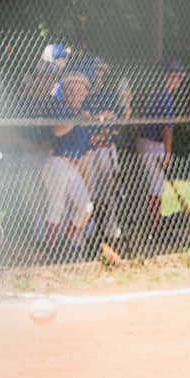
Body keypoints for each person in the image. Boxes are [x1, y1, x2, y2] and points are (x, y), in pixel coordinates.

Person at [40, 69, 95, 255]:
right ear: (66, 92)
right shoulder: (61, 108)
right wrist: (77, 120)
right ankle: (51, 247)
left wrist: (85, 176)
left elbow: (85, 150)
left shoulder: (83, 114)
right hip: (57, 162)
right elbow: (58, 131)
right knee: (57, 206)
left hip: (74, 167)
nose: (76, 94)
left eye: (81, 90)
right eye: (71, 90)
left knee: (86, 206)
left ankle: (68, 241)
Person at [82, 55, 132, 243]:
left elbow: (119, 121)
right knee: (89, 191)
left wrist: (127, 104)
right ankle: (87, 228)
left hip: (107, 148)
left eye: (103, 72)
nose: (100, 76)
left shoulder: (109, 96)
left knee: (111, 192)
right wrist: (101, 119)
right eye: (97, 71)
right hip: (90, 150)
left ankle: (111, 228)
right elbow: (87, 126)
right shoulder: (83, 97)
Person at [134, 60, 184, 234]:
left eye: (179, 78)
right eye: (174, 77)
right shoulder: (165, 97)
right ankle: (155, 224)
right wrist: (168, 153)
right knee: (155, 187)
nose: (177, 81)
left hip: (142, 142)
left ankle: (153, 221)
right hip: (153, 145)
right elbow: (167, 130)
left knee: (150, 185)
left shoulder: (152, 93)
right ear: (165, 77)